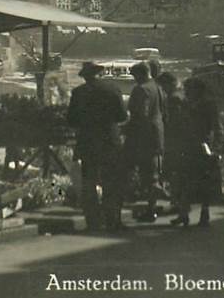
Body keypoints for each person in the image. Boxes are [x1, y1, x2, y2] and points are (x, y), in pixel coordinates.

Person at [66, 61, 128, 231]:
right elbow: (122, 116)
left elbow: (71, 119)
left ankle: (93, 221)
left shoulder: (78, 93)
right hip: (110, 141)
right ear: (99, 74)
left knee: (89, 182)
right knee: (111, 181)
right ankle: (113, 219)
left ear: (85, 76)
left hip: (88, 142)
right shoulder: (113, 89)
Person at [171, 77, 222, 227]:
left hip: (202, 146)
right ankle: (183, 214)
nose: (187, 92)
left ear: (198, 90)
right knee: (184, 180)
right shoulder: (186, 104)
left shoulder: (208, 105)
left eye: (190, 90)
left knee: (203, 182)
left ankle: (204, 213)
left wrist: (217, 148)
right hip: (186, 146)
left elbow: (217, 127)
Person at [123, 61, 167, 224]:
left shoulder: (141, 90)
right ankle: (152, 207)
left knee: (142, 173)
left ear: (140, 74)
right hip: (157, 135)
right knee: (153, 173)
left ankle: (147, 208)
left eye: (135, 76)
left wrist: (127, 129)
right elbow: (163, 112)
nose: (135, 80)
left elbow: (141, 114)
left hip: (142, 137)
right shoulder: (158, 87)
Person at [156, 72, 184, 209]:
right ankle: (178, 201)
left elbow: (174, 121)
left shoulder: (173, 99)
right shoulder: (180, 95)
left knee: (174, 171)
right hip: (179, 139)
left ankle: (177, 202)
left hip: (174, 139)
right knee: (176, 172)